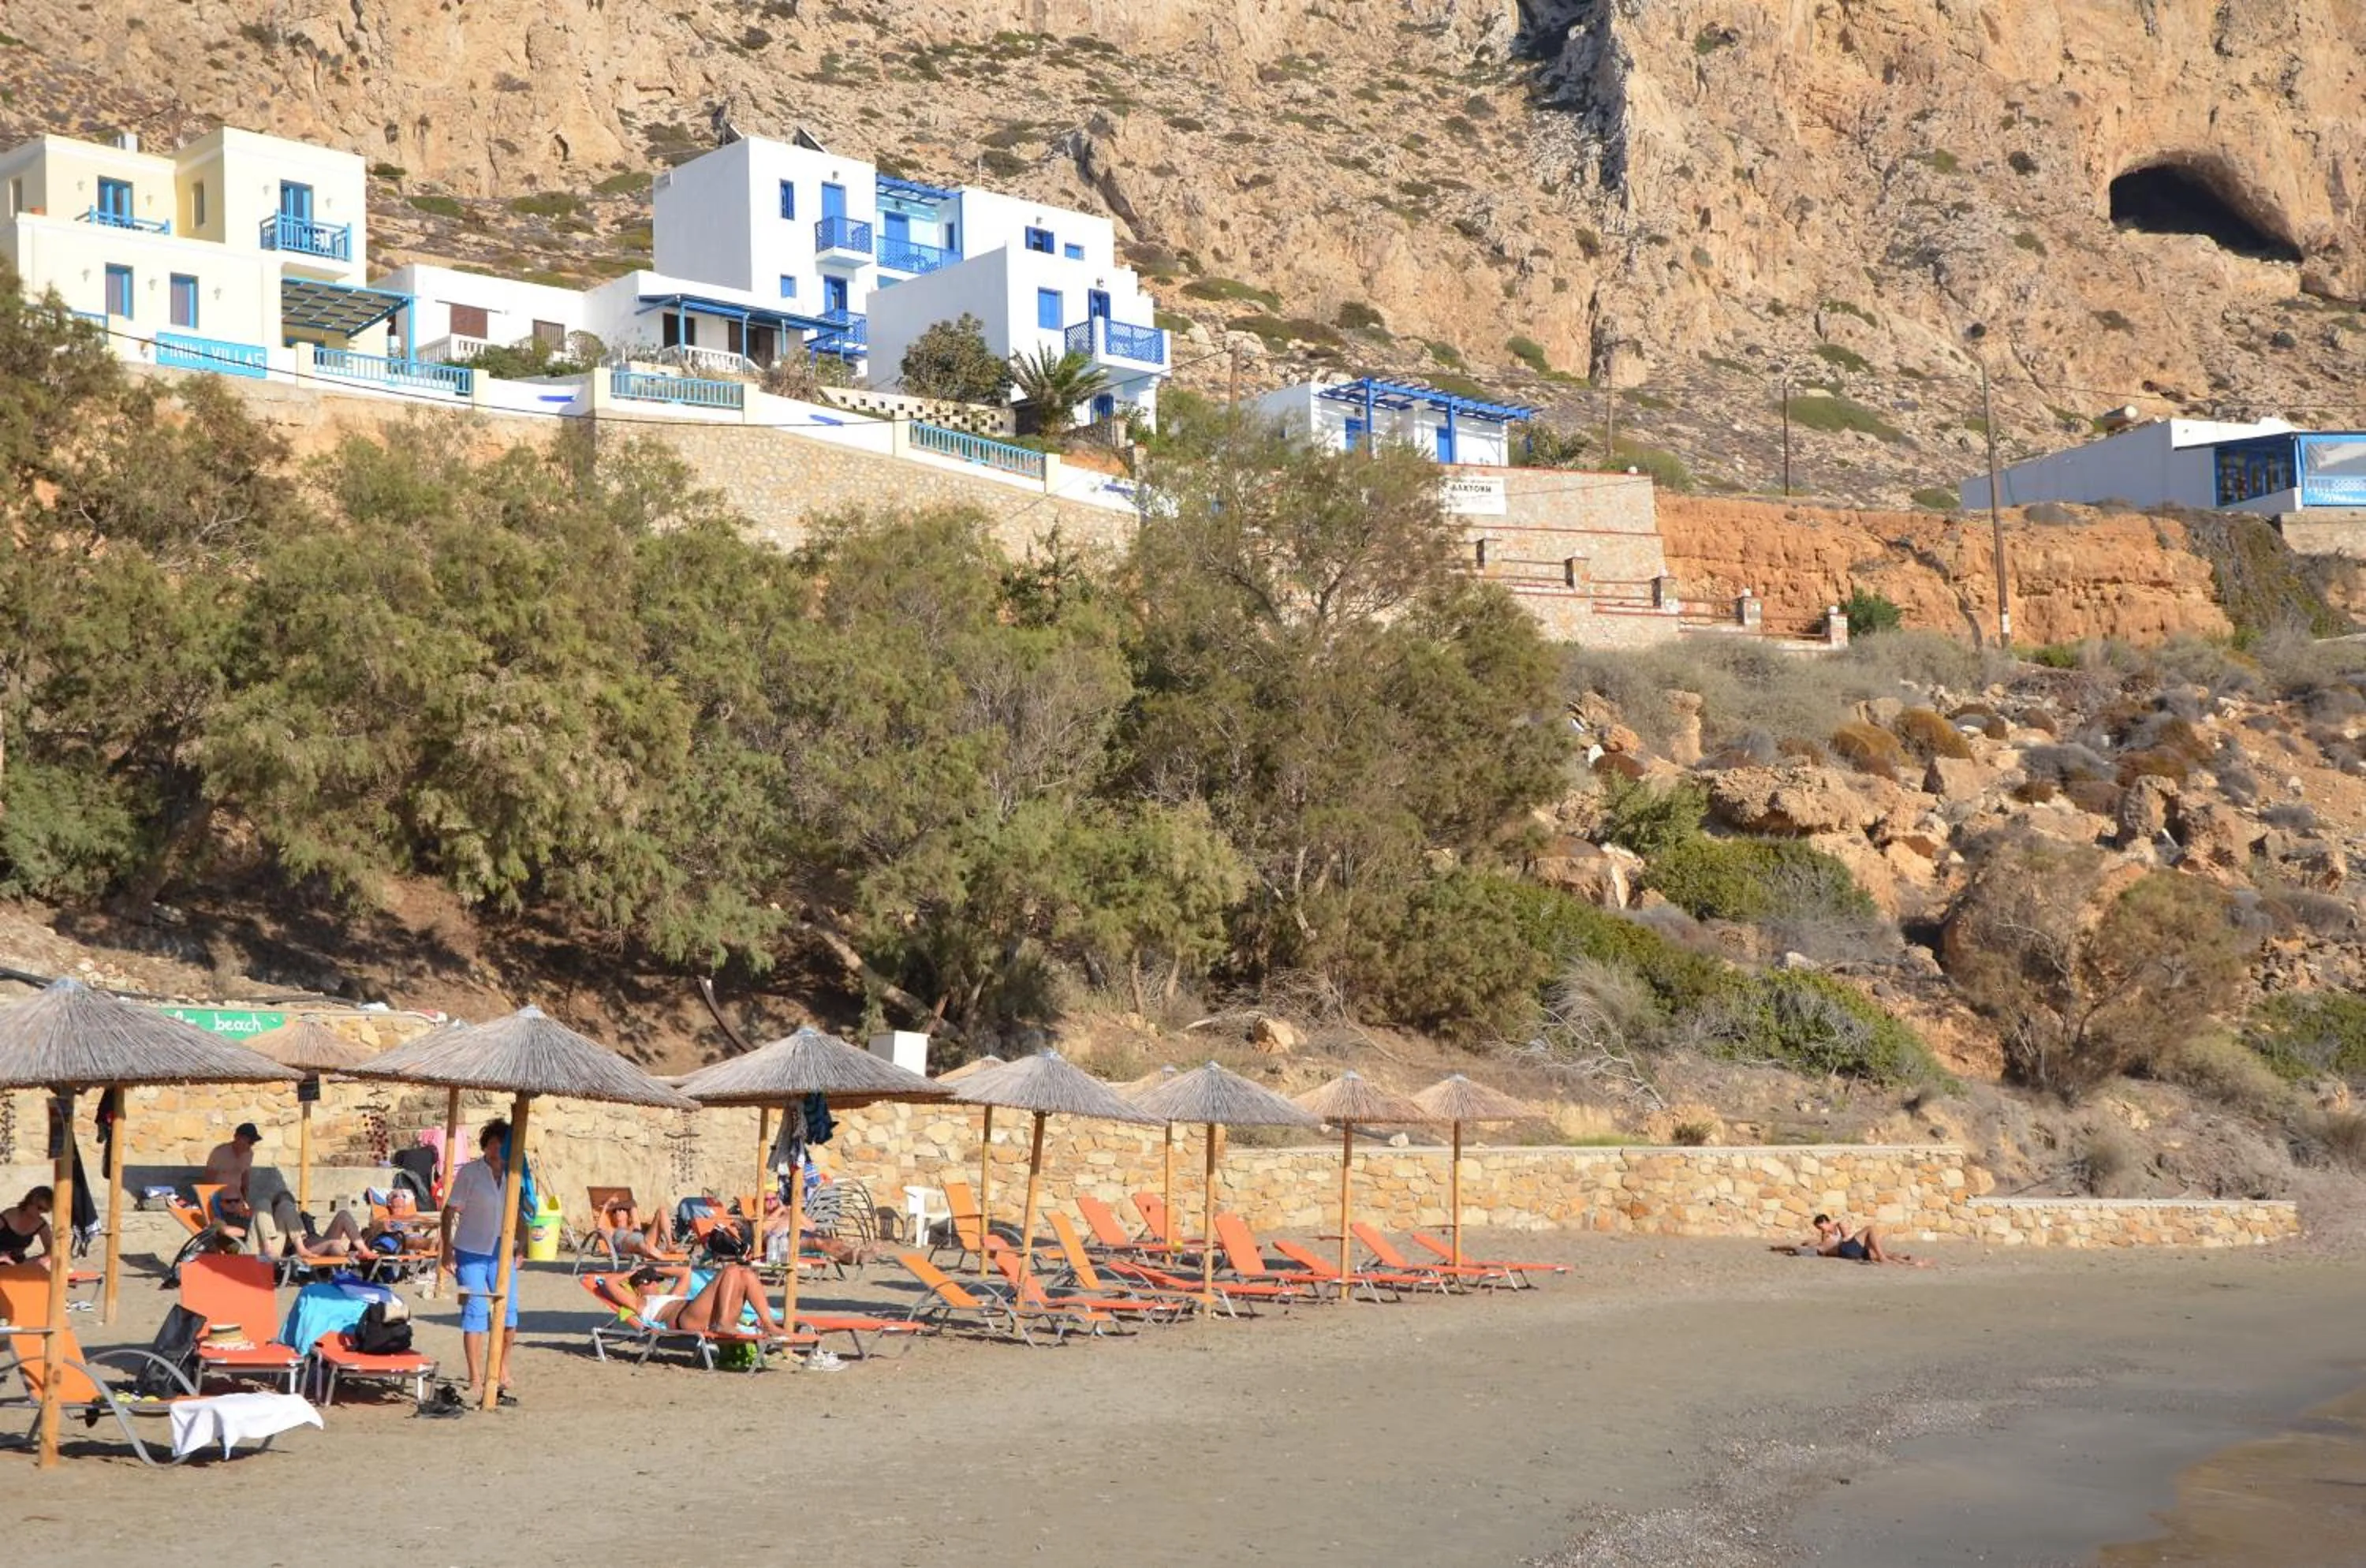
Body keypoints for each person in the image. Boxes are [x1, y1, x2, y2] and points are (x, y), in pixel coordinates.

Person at [440, 1118, 522, 1406]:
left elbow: (521, 1209)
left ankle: (501, 1367)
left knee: (509, 1313)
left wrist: (519, 1245)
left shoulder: (516, 1174)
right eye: (492, 1142)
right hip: (470, 1249)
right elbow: (449, 1211)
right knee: (475, 1311)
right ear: (486, 1145)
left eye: (502, 1143)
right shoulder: (471, 1173)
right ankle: (475, 1375)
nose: (497, 1148)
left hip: (502, 1251)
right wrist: (446, 1250)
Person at [617, 1262, 793, 1338]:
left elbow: (686, 1272)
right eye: (647, 1281)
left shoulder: (672, 1294)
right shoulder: (639, 1303)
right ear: (636, 1288)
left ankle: (768, 1324)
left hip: (704, 1316)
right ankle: (723, 1322)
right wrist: (631, 1274)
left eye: (656, 1280)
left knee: (747, 1274)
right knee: (731, 1270)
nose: (654, 1283)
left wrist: (652, 1269)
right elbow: (609, 1284)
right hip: (685, 1319)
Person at [1772, 1213, 1931, 1267]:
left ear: (1826, 1223)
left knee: (1882, 1253)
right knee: (1870, 1229)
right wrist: (1778, 1248)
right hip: (1846, 1249)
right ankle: (1885, 1258)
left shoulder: (1827, 1236)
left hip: (1850, 1250)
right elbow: (1795, 1247)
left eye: (1821, 1227)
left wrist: (1777, 1248)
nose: (1820, 1231)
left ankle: (1912, 1263)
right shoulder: (1821, 1242)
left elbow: (1845, 1234)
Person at [201, 1123, 264, 1237]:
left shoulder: (249, 1154)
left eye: (253, 1143)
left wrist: (244, 1201)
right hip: (221, 1201)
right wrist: (211, 1208)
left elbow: (245, 1179)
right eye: (249, 1142)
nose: (251, 1145)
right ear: (238, 1138)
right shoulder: (220, 1153)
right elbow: (208, 1182)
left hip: (237, 1200)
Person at [0, 1186, 54, 1264]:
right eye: (39, 1208)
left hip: (17, 1263)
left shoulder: (40, 1224)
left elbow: (51, 1247)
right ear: (30, 1201)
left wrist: (45, 1258)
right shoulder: (8, 1216)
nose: (40, 1213)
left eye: (45, 1210)